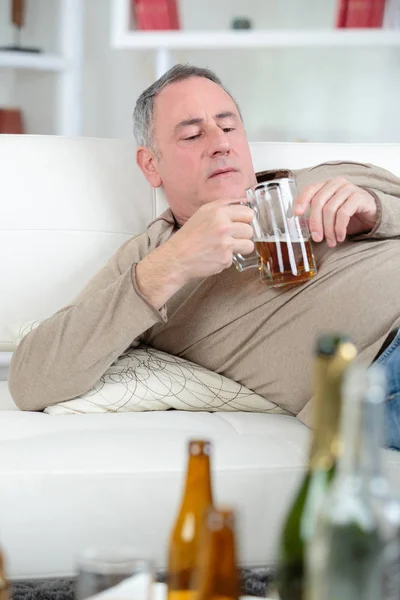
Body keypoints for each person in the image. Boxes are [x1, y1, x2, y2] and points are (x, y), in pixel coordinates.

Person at [8, 64, 400, 447]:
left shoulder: (322, 182)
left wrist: (377, 210)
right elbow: (30, 380)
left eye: (229, 128)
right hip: (382, 373)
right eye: (193, 135)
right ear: (150, 164)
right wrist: (171, 265)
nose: (220, 143)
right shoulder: (153, 256)